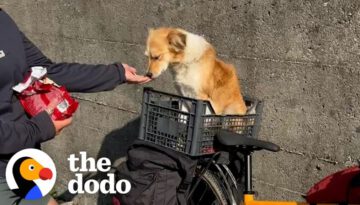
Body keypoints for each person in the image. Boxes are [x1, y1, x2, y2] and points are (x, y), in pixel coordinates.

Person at [0, 8, 150, 205]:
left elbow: (45, 71)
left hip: (20, 159)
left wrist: (116, 74)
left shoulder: (3, 20)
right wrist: (40, 128)